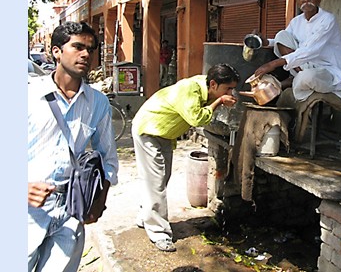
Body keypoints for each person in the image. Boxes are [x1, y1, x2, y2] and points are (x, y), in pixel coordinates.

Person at [28, 21, 119, 271]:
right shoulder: (27, 95)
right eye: (78, 47)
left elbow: (107, 156)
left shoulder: (97, 102)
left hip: (71, 208)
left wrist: (100, 200)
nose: (86, 54)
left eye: (91, 49)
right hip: (26, 210)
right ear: (56, 51)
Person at [131, 63, 240, 252]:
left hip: (163, 133)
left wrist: (219, 99)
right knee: (156, 181)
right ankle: (159, 234)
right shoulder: (190, 89)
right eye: (227, 88)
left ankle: (145, 216)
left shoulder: (205, 86)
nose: (231, 92)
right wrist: (219, 102)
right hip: (148, 130)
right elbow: (197, 119)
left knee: (161, 179)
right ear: (213, 84)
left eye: (232, 88)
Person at [253, 0, 341, 118]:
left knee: (307, 77)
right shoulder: (296, 22)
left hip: (327, 71)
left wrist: (272, 64)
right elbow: (280, 41)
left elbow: (310, 50)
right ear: (297, 2)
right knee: (281, 35)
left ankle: (287, 81)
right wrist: (264, 41)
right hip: (303, 66)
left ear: (319, 0)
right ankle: (289, 80)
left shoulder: (327, 20)